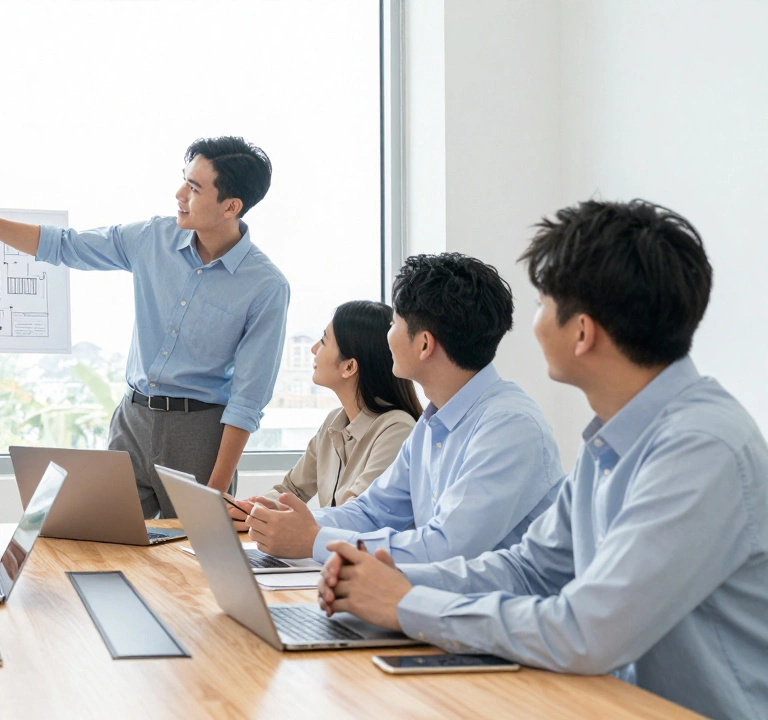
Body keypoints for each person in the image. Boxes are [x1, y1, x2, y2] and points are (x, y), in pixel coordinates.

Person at [316, 200, 768, 720]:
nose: (530, 326)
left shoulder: (701, 446)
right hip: (602, 702)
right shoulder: (614, 440)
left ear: (582, 332)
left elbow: (587, 630)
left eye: (541, 303)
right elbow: (532, 569)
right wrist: (393, 585)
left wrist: (405, 605)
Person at [0, 136, 289, 519]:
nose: (179, 194)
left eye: (194, 188)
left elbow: (247, 401)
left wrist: (216, 491)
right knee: (109, 544)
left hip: (201, 435)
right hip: (133, 421)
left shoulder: (265, 287)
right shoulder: (151, 238)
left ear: (231, 206)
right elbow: (63, 246)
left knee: (191, 564)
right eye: (183, 181)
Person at [244, 253, 563, 563]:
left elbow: (447, 547)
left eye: (394, 322)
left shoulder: (508, 426)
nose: (387, 335)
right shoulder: (433, 423)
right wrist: (295, 524)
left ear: (424, 344)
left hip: (496, 610)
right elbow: (371, 511)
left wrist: (313, 540)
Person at [227, 301, 420, 529]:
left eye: (324, 341)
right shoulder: (334, 421)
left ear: (349, 367)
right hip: (329, 555)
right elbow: (291, 490)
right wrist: (251, 508)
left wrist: (266, 518)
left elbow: (357, 515)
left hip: (364, 559)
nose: (313, 349)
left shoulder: (397, 430)